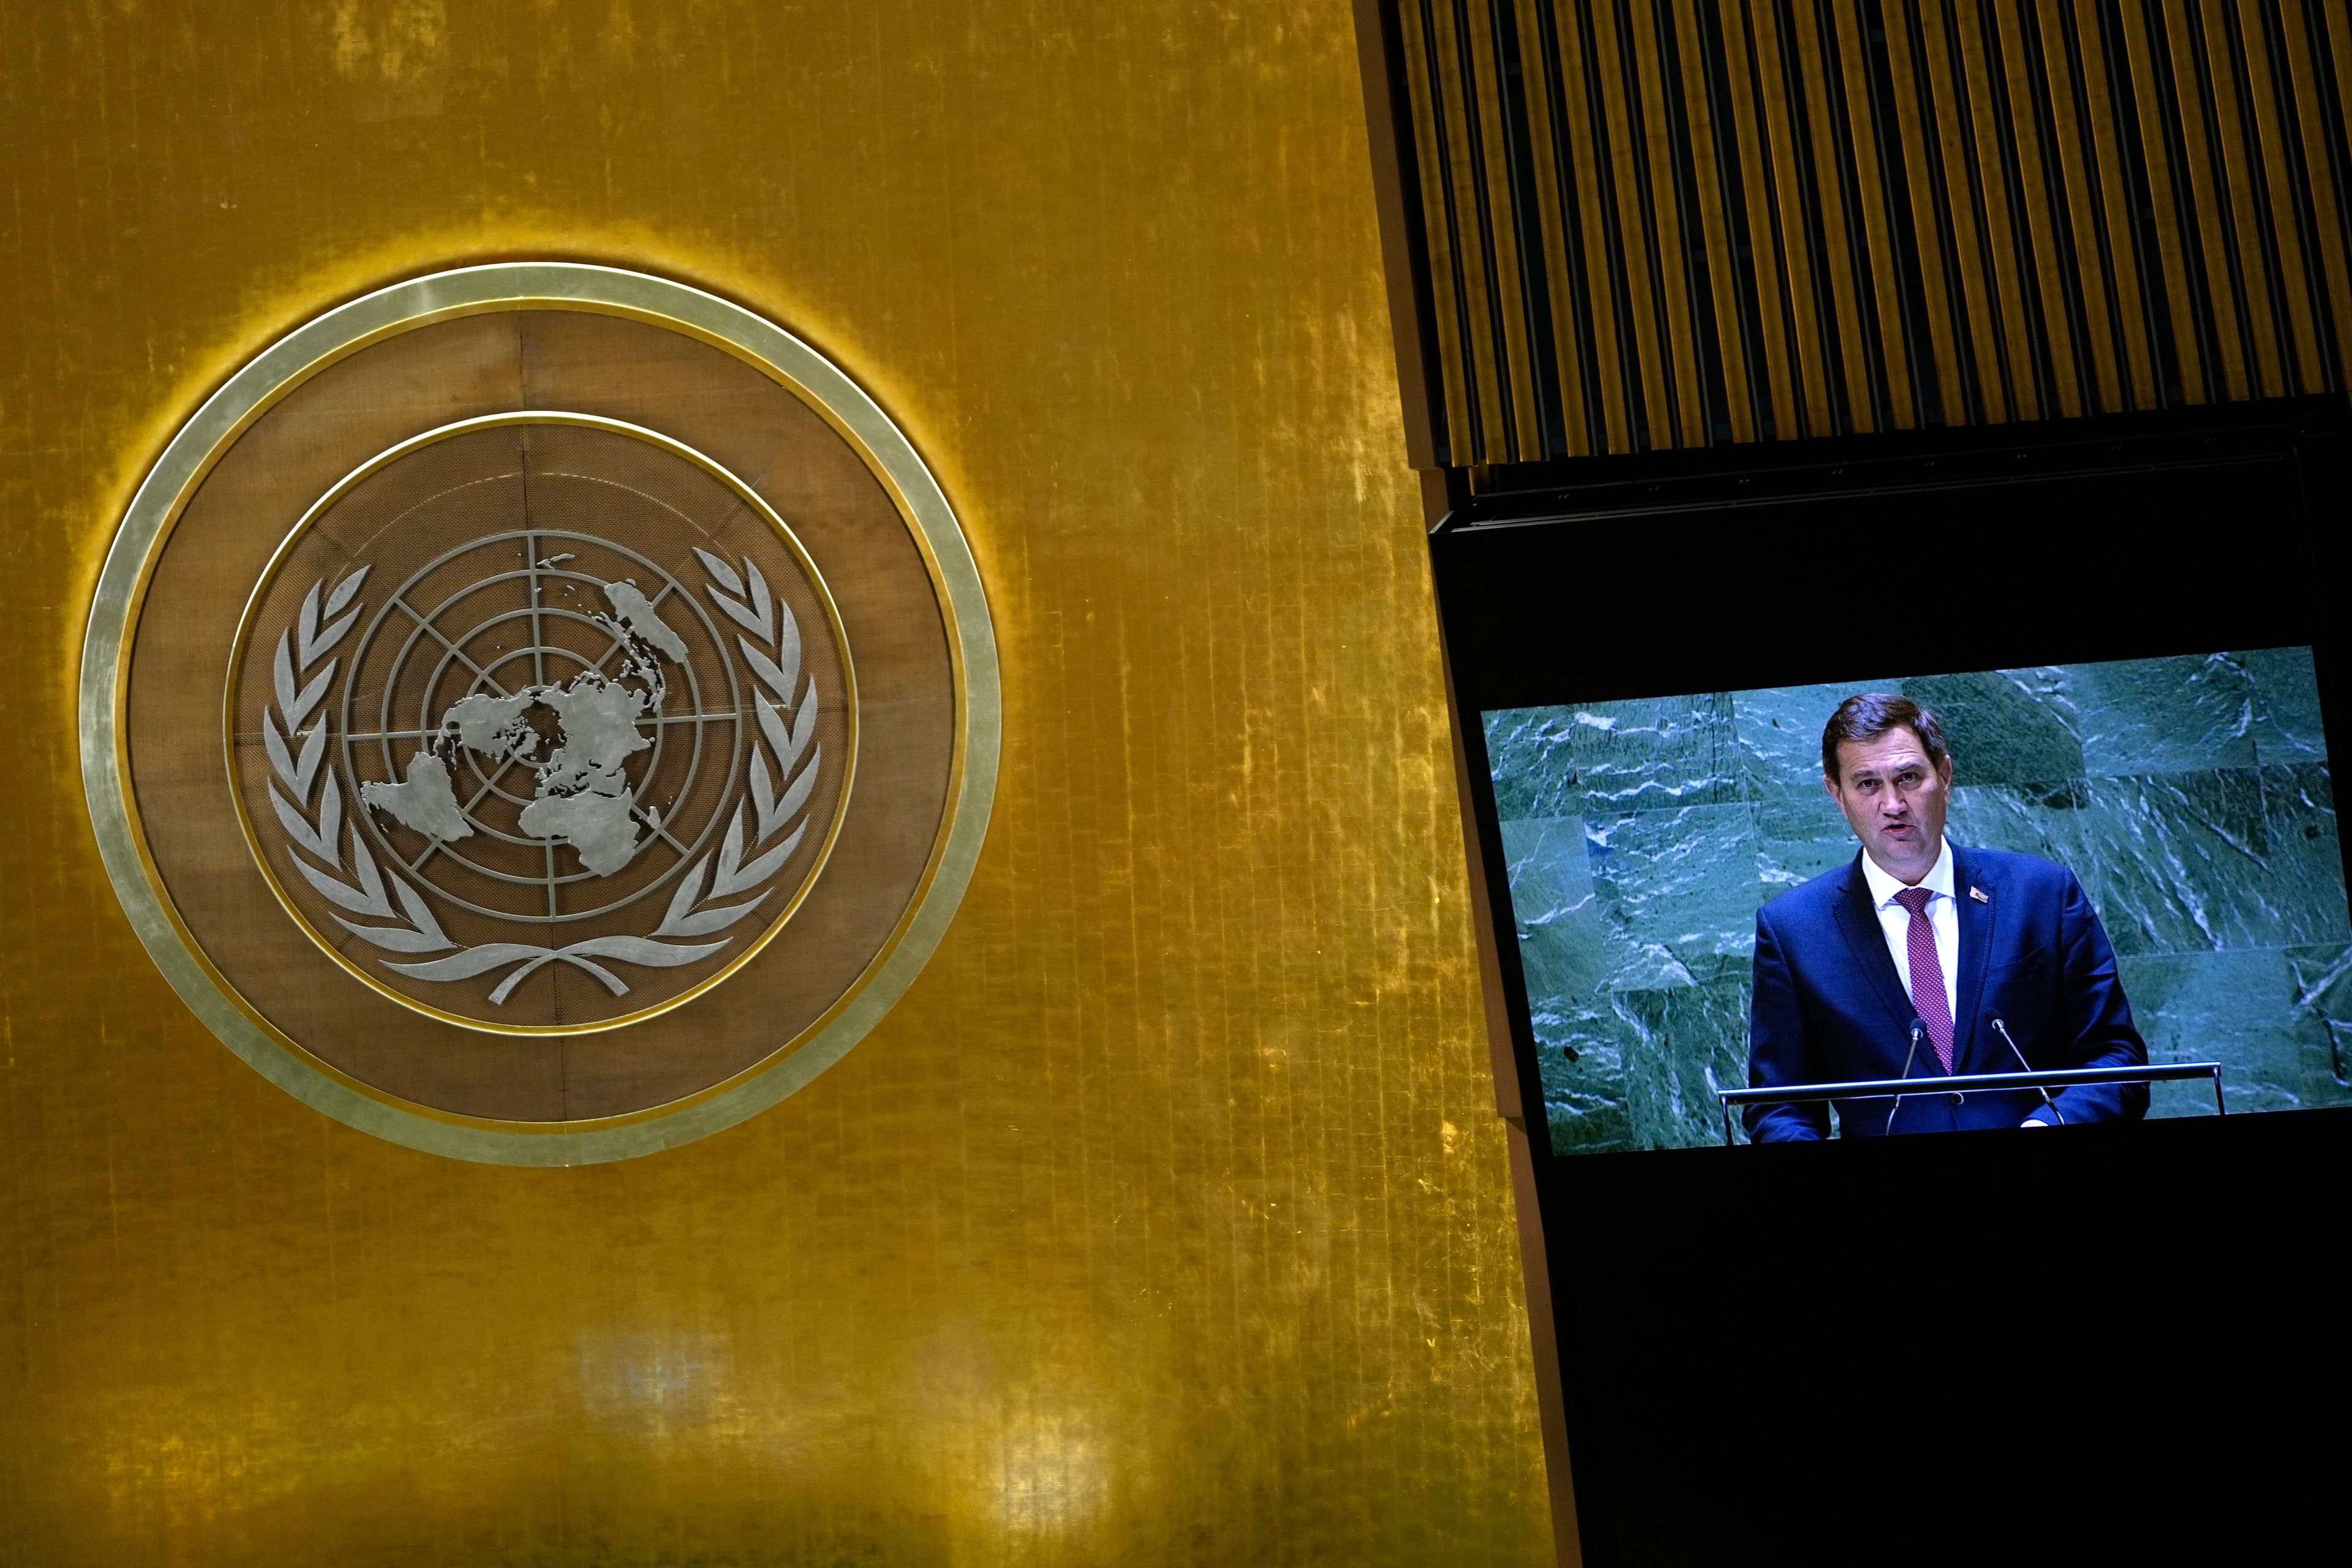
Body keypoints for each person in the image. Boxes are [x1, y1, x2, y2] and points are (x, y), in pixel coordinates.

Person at [1744, 693, 2149, 1140]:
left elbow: (2117, 1057)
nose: (1893, 803)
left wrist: (2048, 1123)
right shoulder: (1794, 930)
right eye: (1867, 784)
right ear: (1837, 795)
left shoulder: (2043, 894)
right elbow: (1779, 1106)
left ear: (1945, 775)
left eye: (1909, 777)